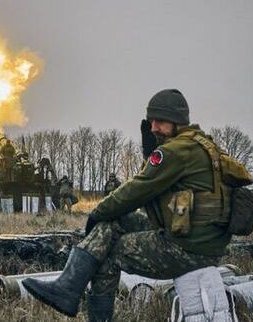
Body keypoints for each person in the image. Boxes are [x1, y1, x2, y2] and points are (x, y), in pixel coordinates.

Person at [22, 89, 240, 322]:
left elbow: (138, 189)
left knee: (108, 255)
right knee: (113, 222)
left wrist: (97, 212)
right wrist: (151, 154)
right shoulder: (202, 144)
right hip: (202, 240)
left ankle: (82, 303)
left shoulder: (176, 150)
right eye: (151, 121)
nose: (153, 127)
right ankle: (67, 287)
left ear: (177, 121)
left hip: (189, 249)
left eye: (160, 121)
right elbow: (158, 188)